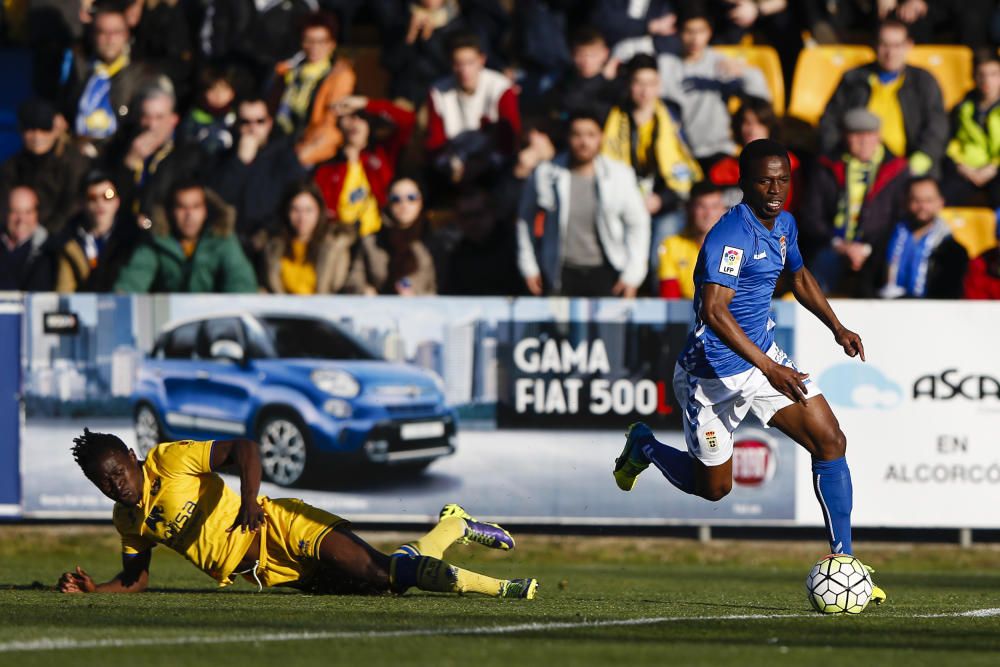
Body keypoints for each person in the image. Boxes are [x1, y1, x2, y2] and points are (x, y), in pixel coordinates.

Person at [611, 139, 887, 606]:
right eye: (765, 180)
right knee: (714, 489)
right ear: (744, 183)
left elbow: (798, 277)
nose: (775, 189)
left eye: (783, 179)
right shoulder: (729, 237)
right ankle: (645, 445)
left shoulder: (785, 224)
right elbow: (717, 313)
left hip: (763, 360)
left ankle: (845, 564)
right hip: (712, 376)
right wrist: (769, 367)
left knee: (830, 440)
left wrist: (837, 327)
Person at [57, 430, 537, 599]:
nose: (114, 482)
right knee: (388, 581)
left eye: (117, 470)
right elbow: (137, 577)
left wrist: (248, 501)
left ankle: (505, 591)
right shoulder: (127, 521)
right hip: (272, 573)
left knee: (379, 571)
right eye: (103, 480)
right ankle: (453, 524)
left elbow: (245, 448)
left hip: (280, 525)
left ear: (130, 456)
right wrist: (96, 589)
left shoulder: (169, 459)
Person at [517, 110, 650, 297]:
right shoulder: (545, 174)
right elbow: (525, 219)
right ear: (568, 137)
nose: (583, 142)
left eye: (590, 135)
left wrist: (633, 274)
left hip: (607, 272)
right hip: (560, 272)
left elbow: (638, 223)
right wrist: (529, 266)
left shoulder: (620, 175)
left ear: (601, 137)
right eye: (577, 135)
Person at [602, 54, 702, 274]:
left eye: (651, 84)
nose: (645, 91)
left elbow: (683, 171)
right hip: (621, 201)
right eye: (638, 83)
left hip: (664, 203)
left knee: (661, 249)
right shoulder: (611, 115)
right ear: (629, 85)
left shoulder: (672, 115)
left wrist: (661, 199)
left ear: (659, 85)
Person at [801, 108, 909, 298]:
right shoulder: (826, 167)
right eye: (856, 135)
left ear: (878, 137)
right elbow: (811, 215)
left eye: (869, 135)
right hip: (832, 245)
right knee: (815, 281)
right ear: (845, 137)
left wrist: (865, 249)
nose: (863, 141)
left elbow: (899, 217)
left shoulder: (897, 170)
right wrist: (840, 245)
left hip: (878, 249)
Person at [819, 19, 947, 177]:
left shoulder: (924, 81)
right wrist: (839, 156)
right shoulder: (853, 79)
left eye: (897, 45)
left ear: (909, 45)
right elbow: (830, 121)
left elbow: (937, 125)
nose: (890, 53)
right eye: (884, 45)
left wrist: (920, 160)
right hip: (857, 164)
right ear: (874, 45)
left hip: (909, 168)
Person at [657, 6, 771, 170]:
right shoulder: (666, 65)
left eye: (701, 31)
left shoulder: (720, 63)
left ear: (709, 32)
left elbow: (762, 99)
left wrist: (743, 72)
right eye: (689, 31)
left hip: (719, 150)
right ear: (679, 32)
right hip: (679, 154)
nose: (695, 38)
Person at [113, 180, 257, 293]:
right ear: (170, 211)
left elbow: (241, 284)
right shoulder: (156, 242)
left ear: (206, 210)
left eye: (196, 207)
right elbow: (133, 280)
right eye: (182, 207)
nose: (189, 215)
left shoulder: (223, 239)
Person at [425, 31, 521, 187]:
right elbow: (435, 143)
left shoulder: (500, 88)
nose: (464, 70)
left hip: (493, 166)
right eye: (458, 63)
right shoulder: (439, 91)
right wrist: (451, 166)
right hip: (454, 167)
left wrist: (482, 165)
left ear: (482, 60)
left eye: (470, 62)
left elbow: (508, 142)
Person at [210, 96, 309, 246]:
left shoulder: (285, 157)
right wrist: (240, 163)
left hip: (271, 241)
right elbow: (217, 201)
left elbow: (297, 199)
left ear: (269, 123)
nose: (253, 128)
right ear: (237, 124)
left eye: (259, 121)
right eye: (245, 122)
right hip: (230, 241)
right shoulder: (223, 158)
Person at [313, 96, 416, 239]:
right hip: (342, 238)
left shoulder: (382, 155)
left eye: (361, 117)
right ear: (340, 125)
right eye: (349, 117)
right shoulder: (326, 169)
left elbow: (408, 121)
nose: (355, 122)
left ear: (370, 125)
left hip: (380, 235)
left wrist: (365, 103)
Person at [271, 11, 356, 167]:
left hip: (315, 140)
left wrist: (303, 149)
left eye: (321, 41)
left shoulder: (339, 75)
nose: (314, 47)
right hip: (284, 135)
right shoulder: (290, 71)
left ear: (332, 44)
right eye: (308, 41)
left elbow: (330, 122)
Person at [64, 4, 151, 156]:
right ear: (93, 36)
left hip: (117, 156)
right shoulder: (80, 69)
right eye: (102, 32)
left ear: (127, 35)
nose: (110, 39)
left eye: (116, 32)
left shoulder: (142, 75)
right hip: (77, 153)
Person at [108, 85, 203, 221]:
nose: (151, 125)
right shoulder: (121, 146)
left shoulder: (189, 155)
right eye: (146, 116)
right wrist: (129, 164)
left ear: (173, 119)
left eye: (159, 117)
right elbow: (111, 197)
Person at [0, 98, 91, 235]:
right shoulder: (12, 167)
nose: (37, 136)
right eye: (30, 129)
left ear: (56, 130)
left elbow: (73, 203)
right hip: (19, 236)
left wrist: (47, 231)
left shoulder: (74, 163)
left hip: (63, 237)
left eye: (44, 129)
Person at [262, 182, 367, 295]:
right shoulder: (273, 246)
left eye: (308, 210)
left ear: (319, 211)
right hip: (284, 310)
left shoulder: (336, 244)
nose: (302, 217)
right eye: (295, 210)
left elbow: (345, 285)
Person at [707, 97, 802, 212]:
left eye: (760, 123)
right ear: (738, 127)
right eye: (747, 123)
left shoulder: (789, 163)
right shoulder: (721, 169)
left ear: (769, 127)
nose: (752, 129)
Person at [880, 177, 968, 299]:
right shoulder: (885, 239)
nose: (922, 206)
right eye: (916, 200)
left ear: (940, 203)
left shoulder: (953, 250)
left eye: (928, 200)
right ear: (906, 202)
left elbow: (950, 292)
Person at [55, 172, 138, 293]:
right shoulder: (66, 240)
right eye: (92, 197)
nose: (100, 203)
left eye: (108, 196)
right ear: (82, 203)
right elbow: (64, 290)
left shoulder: (133, 240)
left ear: (117, 201)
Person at [942, 53, 1000, 208]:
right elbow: (950, 142)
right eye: (981, 74)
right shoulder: (962, 107)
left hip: (996, 169)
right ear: (974, 76)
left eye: (994, 74)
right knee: (942, 195)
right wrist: (961, 166)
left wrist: (994, 167)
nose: (987, 80)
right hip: (967, 169)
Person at [365, 177, 438, 296]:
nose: (404, 204)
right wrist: (364, 291)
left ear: (421, 202)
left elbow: (441, 288)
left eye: (411, 198)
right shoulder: (371, 242)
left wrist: (415, 297)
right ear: (388, 203)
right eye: (396, 199)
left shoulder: (433, 243)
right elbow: (354, 280)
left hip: (423, 312)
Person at [657, 181, 726, 299]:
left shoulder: (737, 246)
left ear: (724, 210)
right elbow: (670, 300)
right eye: (702, 207)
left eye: (714, 207)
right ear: (689, 208)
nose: (708, 214)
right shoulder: (671, 245)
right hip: (684, 314)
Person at [0, 186, 55, 291]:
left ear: (37, 214)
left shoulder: (50, 251)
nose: (21, 219)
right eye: (15, 211)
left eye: (28, 212)